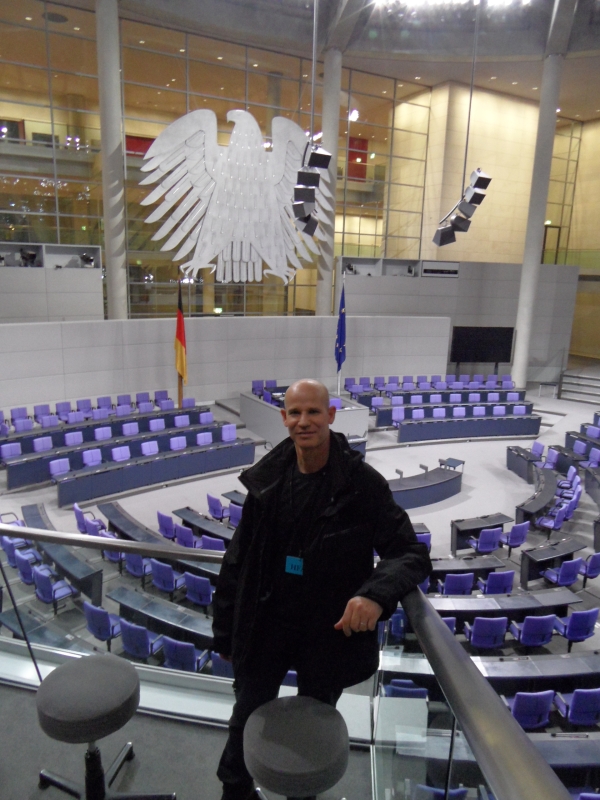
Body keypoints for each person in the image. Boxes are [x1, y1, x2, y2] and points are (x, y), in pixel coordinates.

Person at [212, 379, 431, 800]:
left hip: (327, 633)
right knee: (245, 718)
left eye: (313, 412)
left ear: (330, 416)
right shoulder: (267, 481)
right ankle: (235, 790)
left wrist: (375, 594)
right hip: (267, 625)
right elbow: (237, 561)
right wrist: (225, 631)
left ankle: (302, 791)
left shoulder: (363, 484)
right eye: (295, 413)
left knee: (312, 730)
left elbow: (409, 551)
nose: (304, 421)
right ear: (283, 419)